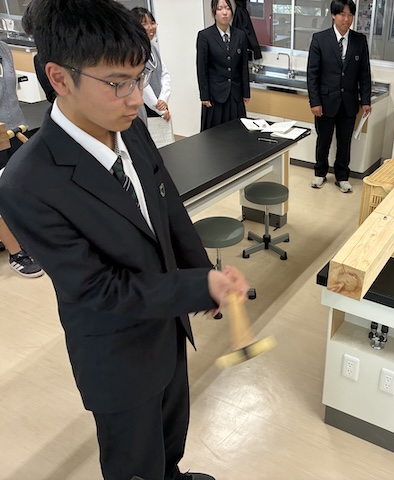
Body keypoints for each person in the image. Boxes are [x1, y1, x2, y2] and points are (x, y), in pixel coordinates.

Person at [0, 1, 248, 479]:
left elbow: (169, 212)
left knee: (170, 437)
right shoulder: (26, 183)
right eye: (118, 83)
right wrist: (197, 288)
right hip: (118, 355)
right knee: (135, 463)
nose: (136, 98)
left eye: (140, 77)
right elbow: (99, 289)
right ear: (59, 78)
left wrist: (205, 277)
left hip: (167, 327)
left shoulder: (129, 129)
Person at [306, 0, 371, 193]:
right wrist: (315, 101)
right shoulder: (320, 39)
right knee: (323, 139)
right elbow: (312, 74)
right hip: (325, 101)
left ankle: (342, 176)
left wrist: (365, 100)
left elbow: (364, 73)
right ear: (333, 15)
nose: (347, 19)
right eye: (342, 14)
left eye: (350, 15)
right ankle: (320, 172)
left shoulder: (359, 40)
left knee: (345, 141)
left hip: (349, 101)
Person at [0, 40, 44, 278]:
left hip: (16, 130)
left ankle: (31, 240)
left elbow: (9, 94)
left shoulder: (3, 48)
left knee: (25, 189)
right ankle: (16, 252)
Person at [197, 0, 250, 131]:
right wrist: (204, 95)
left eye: (227, 8)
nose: (225, 12)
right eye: (220, 9)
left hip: (235, 94)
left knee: (237, 133)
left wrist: (246, 92)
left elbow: (243, 66)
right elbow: (202, 68)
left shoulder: (240, 35)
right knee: (215, 135)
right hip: (215, 96)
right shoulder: (205, 36)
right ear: (214, 12)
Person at [131, 7, 174, 148]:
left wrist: (163, 99)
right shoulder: (135, 52)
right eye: (144, 24)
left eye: (152, 23)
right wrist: (159, 107)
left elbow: (164, 74)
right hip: (145, 107)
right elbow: (142, 83)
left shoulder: (153, 48)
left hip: (160, 105)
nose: (150, 27)